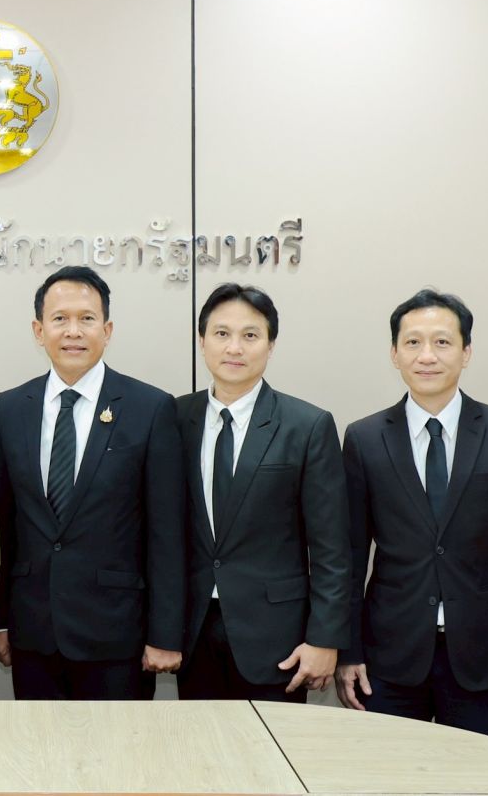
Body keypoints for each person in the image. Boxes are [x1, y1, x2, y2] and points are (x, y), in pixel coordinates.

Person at [338, 289, 488, 738]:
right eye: (413, 342)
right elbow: (350, 557)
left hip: (482, 655)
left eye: (442, 342)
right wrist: (348, 651)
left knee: (476, 774)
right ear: (394, 353)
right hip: (388, 657)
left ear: (466, 352)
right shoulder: (364, 438)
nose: (427, 356)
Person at [0, 265, 184, 699]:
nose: (73, 331)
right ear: (39, 331)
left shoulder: (150, 408)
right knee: (36, 742)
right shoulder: (11, 408)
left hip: (118, 635)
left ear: (107, 330)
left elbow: (166, 532)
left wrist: (165, 633)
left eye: (87, 319)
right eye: (60, 319)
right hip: (33, 632)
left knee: (119, 744)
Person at [177, 283, 350, 701]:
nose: (234, 347)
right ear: (202, 341)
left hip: (277, 637)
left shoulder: (306, 426)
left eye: (250, 335)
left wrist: (324, 638)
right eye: (221, 333)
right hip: (191, 631)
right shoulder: (175, 418)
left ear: (270, 345)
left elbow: (331, 548)